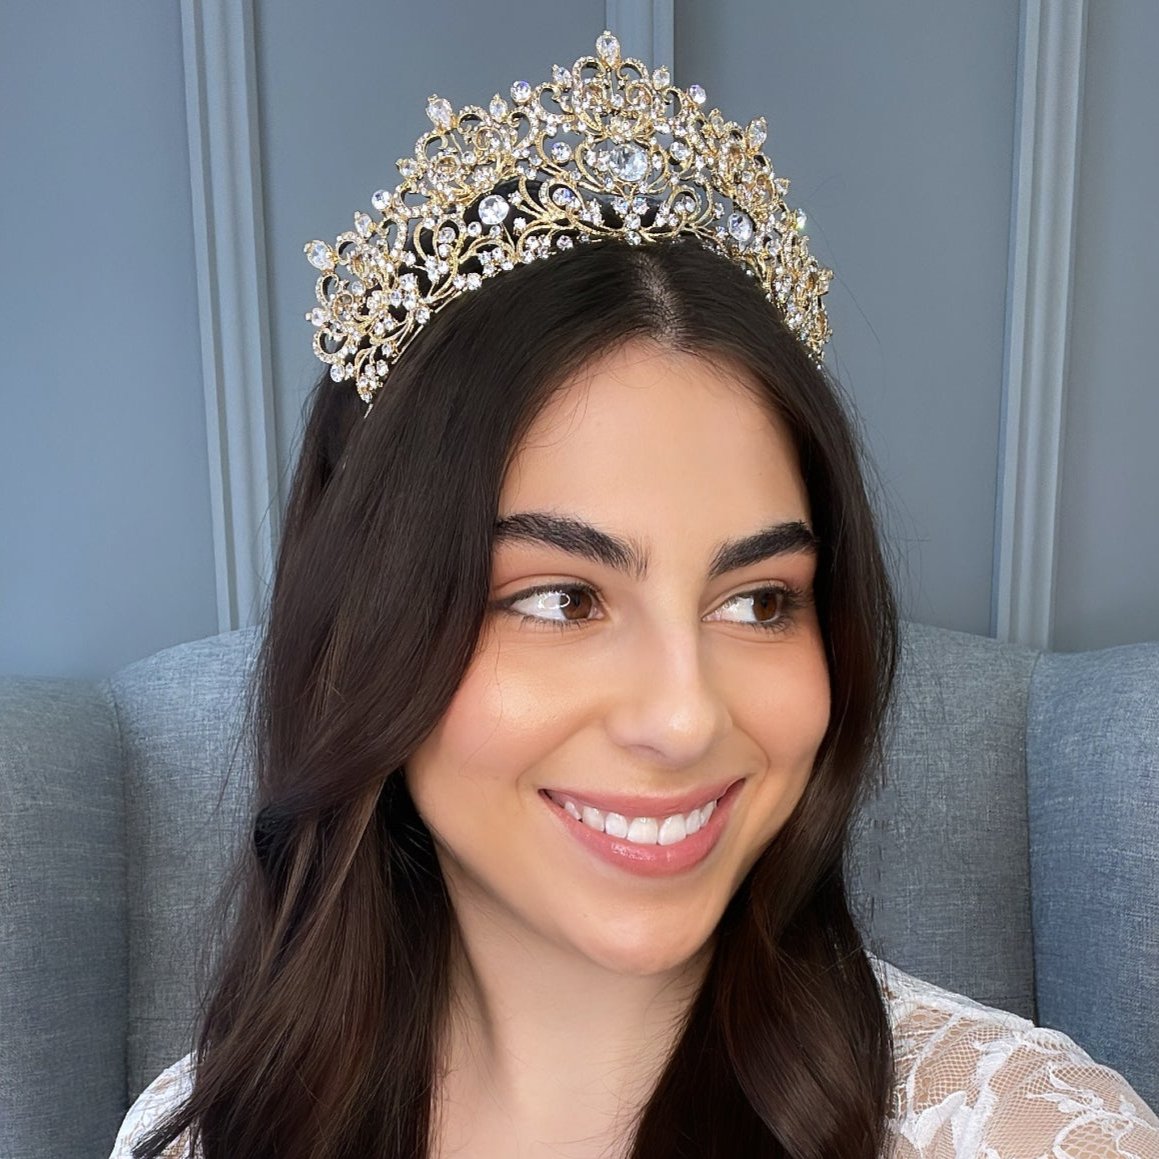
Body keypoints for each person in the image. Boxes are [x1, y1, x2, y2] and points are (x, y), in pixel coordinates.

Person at [111, 31, 1159, 1159]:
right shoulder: (204, 1128)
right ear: (365, 634)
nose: (684, 717)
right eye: (563, 598)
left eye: (758, 601)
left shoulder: (1034, 1133)